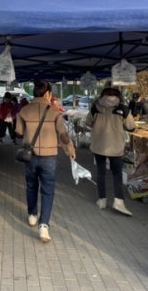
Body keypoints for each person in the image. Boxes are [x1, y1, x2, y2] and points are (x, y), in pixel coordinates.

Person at [15, 80, 76, 243]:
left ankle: (32, 215)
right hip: (49, 157)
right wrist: (70, 150)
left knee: (31, 186)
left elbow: (18, 133)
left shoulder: (24, 111)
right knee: (48, 190)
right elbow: (63, 135)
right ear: (47, 94)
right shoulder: (55, 112)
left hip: (30, 155)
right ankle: (43, 225)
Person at [85, 87, 136, 216]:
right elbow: (131, 127)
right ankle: (118, 201)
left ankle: (102, 200)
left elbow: (88, 123)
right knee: (117, 174)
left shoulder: (95, 107)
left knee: (100, 173)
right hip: (116, 147)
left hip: (98, 146)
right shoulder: (123, 109)